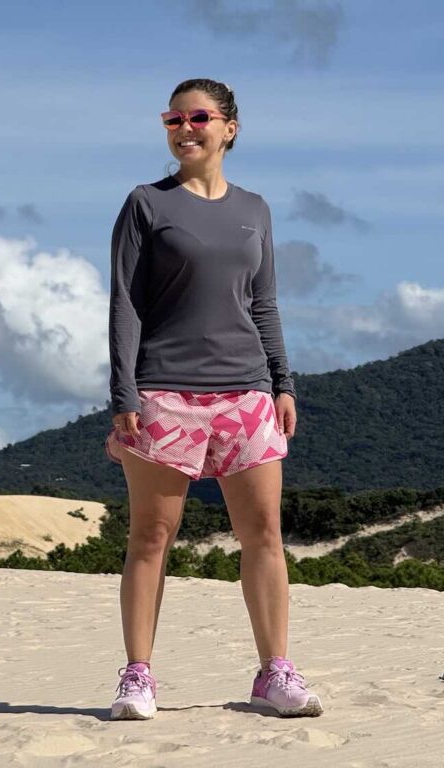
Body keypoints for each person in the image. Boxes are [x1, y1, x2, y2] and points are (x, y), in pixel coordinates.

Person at [103, 78, 323, 720]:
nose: (184, 129)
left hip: (247, 392)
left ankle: (274, 673)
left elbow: (264, 302)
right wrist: (123, 391)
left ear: (229, 128)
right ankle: (138, 676)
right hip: (163, 391)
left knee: (264, 535)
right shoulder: (146, 203)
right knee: (151, 535)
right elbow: (125, 304)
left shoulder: (255, 208)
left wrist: (282, 383)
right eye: (173, 119)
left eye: (198, 118)